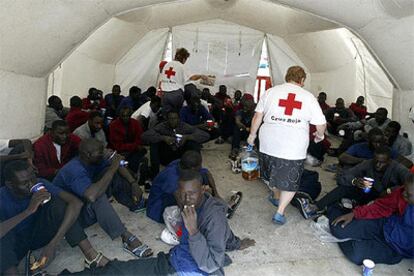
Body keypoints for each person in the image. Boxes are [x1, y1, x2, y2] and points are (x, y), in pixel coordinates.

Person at [72, 170, 255, 276]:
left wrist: (193, 232)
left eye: (191, 193)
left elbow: (211, 264)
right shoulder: (190, 204)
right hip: (175, 261)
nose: (186, 198)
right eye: (182, 193)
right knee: (115, 270)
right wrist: (236, 243)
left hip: (186, 270)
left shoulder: (212, 216)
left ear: (204, 189)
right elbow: (225, 234)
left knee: (116, 272)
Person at [247, 66, 326, 225]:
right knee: (291, 179)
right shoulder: (309, 97)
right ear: (302, 80)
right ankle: (280, 212)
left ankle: (276, 197)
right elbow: (321, 124)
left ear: (286, 76)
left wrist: (252, 136)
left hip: (269, 142)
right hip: (293, 145)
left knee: (271, 172)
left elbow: (257, 116)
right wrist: (320, 136)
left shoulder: (270, 92)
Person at [53, 138, 153, 258]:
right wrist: (113, 167)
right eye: (100, 152)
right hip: (71, 218)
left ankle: (135, 203)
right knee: (97, 197)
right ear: (88, 154)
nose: (103, 153)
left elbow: (116, 164)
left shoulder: (93, 160)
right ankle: (125, 237)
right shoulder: (74, 170)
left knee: (109, 173)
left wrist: (133, 183)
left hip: (81, 202)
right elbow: (91, 196)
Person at [0, 160, 96, 274]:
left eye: (32, 179)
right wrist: (28, 211)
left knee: (59, 205)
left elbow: (76, 203)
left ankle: (91, 254)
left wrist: (53, 245)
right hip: (15, 244)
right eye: (24, 183)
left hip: (37, 235)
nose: (31, 185)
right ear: (10, 185)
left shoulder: (40, 184)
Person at [298, 146, 411, 219]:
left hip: (387, 202)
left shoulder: (398, 168)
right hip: (369, 193)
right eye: (376, 161)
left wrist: (390, 190)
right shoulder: (368, 163)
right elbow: (344, 176)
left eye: (382, 163)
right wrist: (355, 181)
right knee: (345, 187)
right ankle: (316, 207)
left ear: (390, 161)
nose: (378, 165)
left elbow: (411, 185)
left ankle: (343, 207)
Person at [328, 174, 414, 265]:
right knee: (338, 229)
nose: (404, 193)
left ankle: (360, 242)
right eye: (404, 188)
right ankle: (333, 207)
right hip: (384, 225)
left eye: (408, 194)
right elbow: (381, 206)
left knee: (355, 254)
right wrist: (354, 214)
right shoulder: (402, 193)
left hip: (395, 248)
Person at [147, 151, 218, 223]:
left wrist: (216, 195)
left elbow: (206, 173)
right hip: (157, 207)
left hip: (171, 194)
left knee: (201, 179)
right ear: (192, 169)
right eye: (200, 166)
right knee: (193, 199)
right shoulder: (172, 178)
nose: (201, 167)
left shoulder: (182, 163)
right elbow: (182, 203)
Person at [141, 111, 210, 176]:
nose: (173, 121)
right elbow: (145, 135)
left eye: (175, 118)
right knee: (154, 144)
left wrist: (187, 137)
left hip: (181, 155)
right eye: (171, 119)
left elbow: (205, 135)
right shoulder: (162, 126)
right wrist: (163, 138)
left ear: (178, 119)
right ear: (167, 119)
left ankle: (196, 170)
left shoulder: (184, 126)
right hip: (166, 154)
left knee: (193, 144)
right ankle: (154, 173)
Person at [159, 48, 208, 114]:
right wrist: (201, 76)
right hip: (176, 95)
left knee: (167, 117)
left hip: (164, 95)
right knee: (176, 116)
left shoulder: (167, 65)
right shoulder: (181, 66)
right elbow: (192, 77)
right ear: (184, 59)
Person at [108, 107, 148, 174]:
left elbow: (139, 138)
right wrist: (134, 146)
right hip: (119, 151)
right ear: (119, 116)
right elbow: (118, 145)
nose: (125, 118)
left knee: (142, 152)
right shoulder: (113, 125)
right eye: (123, 116)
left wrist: (134, 146)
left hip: (133, 150)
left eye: (128, 115)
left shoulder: (135, 123)